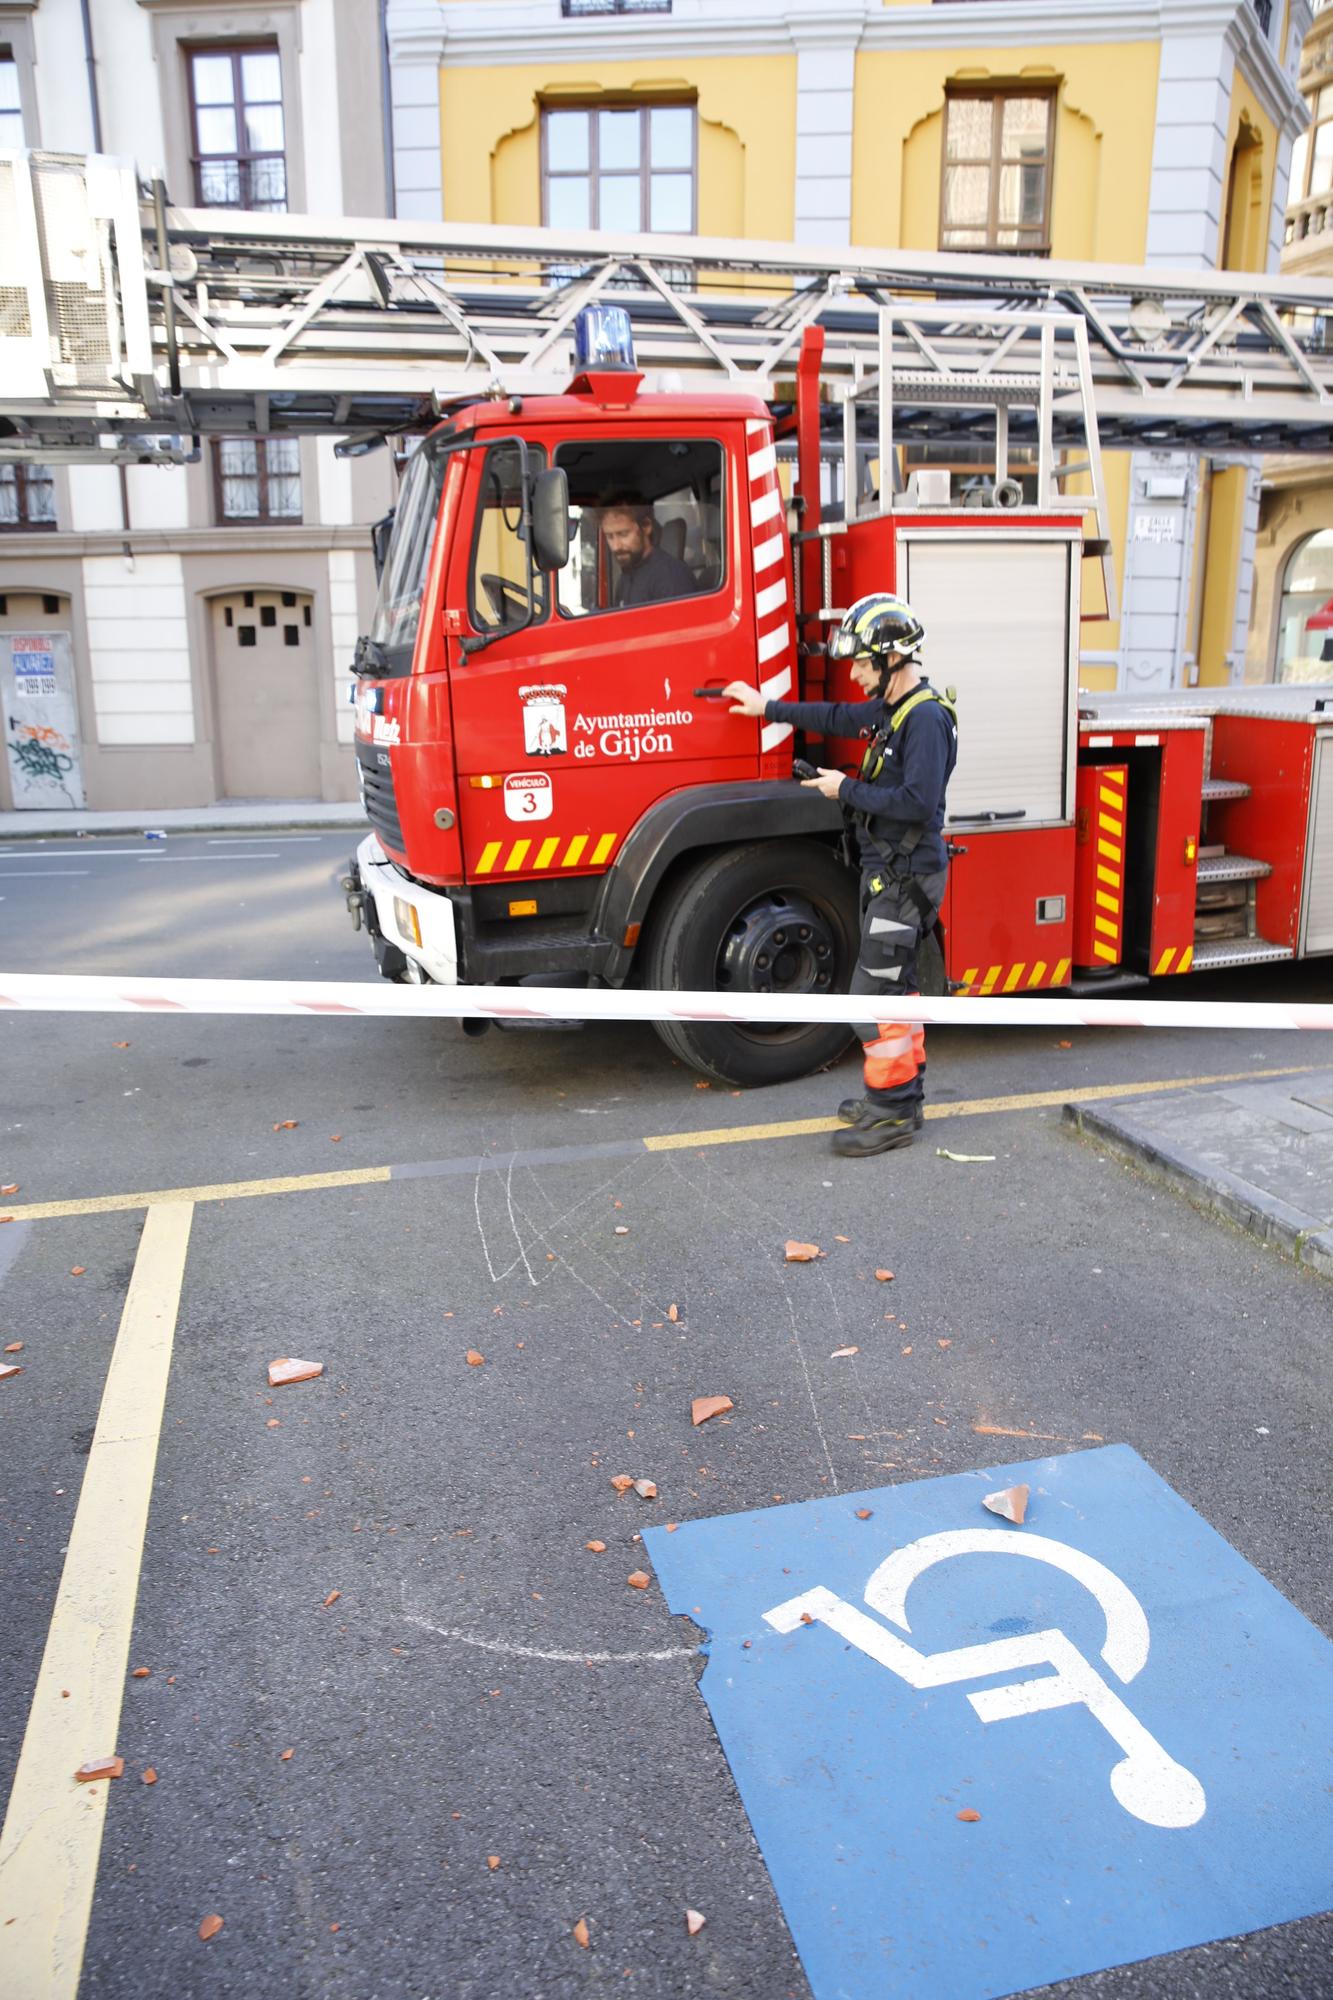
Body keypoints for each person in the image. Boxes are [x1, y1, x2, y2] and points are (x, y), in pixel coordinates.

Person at [725, 592, 957, 1158]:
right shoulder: (894, 712)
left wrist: (842, 788)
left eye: (860, 662)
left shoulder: (924, 718)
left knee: (870, 999)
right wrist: (768, 708)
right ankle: (902, 1096)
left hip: (906, 881)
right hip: (891, 878)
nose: (852, 674)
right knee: (894, 992)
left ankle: (890, 1116)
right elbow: (834, 717)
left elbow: (917, 804)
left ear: (892, 660)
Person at [602, 500, 698, 608]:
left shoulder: (672, 577)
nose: (616, 546)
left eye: (623, 534)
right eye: (609, 536)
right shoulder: (626, 576)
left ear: (646, 526)